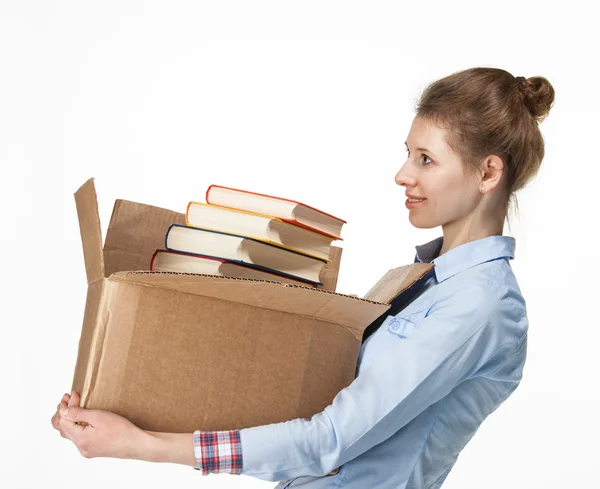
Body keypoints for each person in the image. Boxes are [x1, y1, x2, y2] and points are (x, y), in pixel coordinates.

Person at [51, 67, 554, 488]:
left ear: (488, 173)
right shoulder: (422, 281)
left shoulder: (481, 304)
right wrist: (125, 400)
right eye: (407, 153)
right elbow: (306, 398)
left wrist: (141, 445)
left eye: (425, 159)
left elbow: (329, 440)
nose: (403, 174)